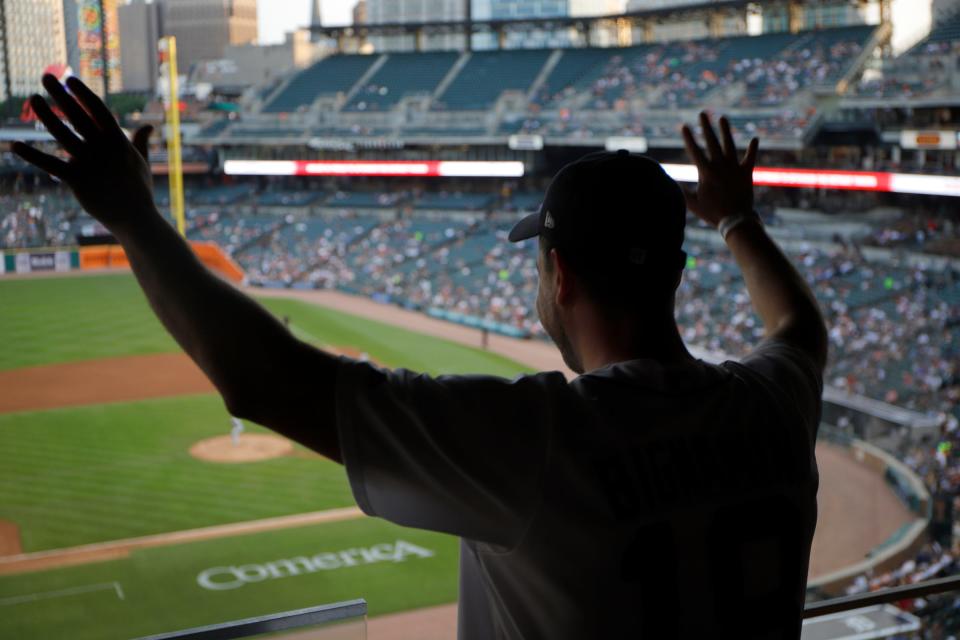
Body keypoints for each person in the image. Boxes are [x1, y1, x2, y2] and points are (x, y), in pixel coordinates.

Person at [15, 75, 826, 639]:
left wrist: (131, 217)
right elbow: (798, 326)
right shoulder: (772, 407)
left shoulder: (538, 439)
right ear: (679, 273)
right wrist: (737, 221)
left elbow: (261, 378)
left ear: (561, 274)